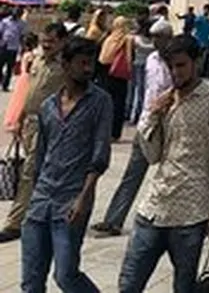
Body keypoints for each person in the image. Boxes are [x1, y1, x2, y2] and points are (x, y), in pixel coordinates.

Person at [118, 34, 209, 293]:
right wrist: (152, 117)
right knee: (128, 284)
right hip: (155, 205)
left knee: (184, 286)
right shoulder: (166, 100)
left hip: (191, 213)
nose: (175, 72)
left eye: (181, 65)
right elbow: (152, 155)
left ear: (195, 62)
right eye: (171, 66)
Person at [20, 36, 113, 293]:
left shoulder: (100, 102)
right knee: (31, 280)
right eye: (82, 63)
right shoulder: (49, 106)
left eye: (91, 63)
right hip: (41, 201)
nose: (88, 69)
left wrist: (84, 197)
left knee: (66, 275)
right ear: (66, 64)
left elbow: (100, 154)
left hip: (72, 202)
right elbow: (41, 154)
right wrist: (33, 195)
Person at [91, 21, 174, 238]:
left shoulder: (177, 62)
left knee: (174, 175)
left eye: (160, 37)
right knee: (132, 174)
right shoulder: (152, 60)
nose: (155, 41)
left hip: (170, 125)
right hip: (147, 123)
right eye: (153, 36)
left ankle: (177, 220)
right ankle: (113, 220)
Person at [0, 22, 67, 243]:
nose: (46, 45)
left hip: (47, 124)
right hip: (28, 121)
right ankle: (37, 213)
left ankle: (14, 223)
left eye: (51, 41)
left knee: (29, 173)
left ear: (61, 43)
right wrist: (18, 118)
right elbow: (29, 91)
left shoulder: (65, 67)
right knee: (34, 172)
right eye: (44, 41)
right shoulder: (37, 60)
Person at [98, 16, 133, 141]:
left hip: (106, 73)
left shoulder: (108, 38)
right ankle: (115, 132)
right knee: (119, 104)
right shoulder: (126, 38)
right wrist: (129, 71)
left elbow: (102, 58)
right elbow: (128, 57)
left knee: (108, 102)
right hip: (119, 74)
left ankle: (105, 130)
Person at [126, 16, 154, 125]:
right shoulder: (150, 41)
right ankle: (136, 114)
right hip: (144, 65)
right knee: (141, 91)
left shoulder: (135, 38)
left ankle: (133, 115)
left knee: (136, 91)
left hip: (138, 64)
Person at [0, 8, 26, 90]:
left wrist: (23, 47)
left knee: (9, 68)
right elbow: (0, 32)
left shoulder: (22, 23)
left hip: (13, 48)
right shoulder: (5, 21)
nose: (16, 14)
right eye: (15, 13)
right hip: (3, 46)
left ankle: (5, 85)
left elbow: (22, 36)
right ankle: (2, 79)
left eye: (18, 13)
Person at [193, 4, 209, 77]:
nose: (207, 11)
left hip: (205, 42)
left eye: (208, 10)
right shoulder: (199, 18)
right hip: (198, 41)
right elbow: (195, 25)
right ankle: (196, 72)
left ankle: (200, 72)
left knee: (203, 58)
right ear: (204, 10)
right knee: (197, 57)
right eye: (206, 9)